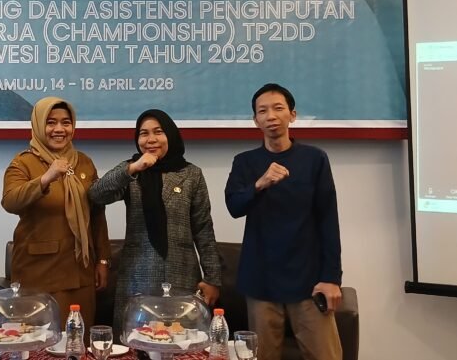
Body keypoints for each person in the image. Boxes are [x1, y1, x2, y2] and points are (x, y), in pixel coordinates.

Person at [224, 83, 343, 360]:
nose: (271, 116)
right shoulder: (245, 162)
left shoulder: (314, 159)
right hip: (261, 281)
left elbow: (328, 220)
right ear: (255, 120)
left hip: (309, 281)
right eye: (262, 111)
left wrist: (331, 278)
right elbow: (234, 206)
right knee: (261, 356)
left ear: (293, 115)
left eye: (278, 108)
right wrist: (260, 184)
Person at [88, 109, 222, 323]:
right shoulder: (131, 170)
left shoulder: (191, 174)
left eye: (158, 132)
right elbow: (96, 195)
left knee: (181, 338)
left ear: (170, 134)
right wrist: (134, 168)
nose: (151, 139)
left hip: (182, 275)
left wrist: (212, 278)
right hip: (137, 276)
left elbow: (203, 229)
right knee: (135, 337)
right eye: (144, 133)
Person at [1, 97, 111, 327]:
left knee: (79, 338)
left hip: (81, 271)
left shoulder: (84, 163)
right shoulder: (23, 163)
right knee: (43, 340)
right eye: (51, 123)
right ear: (38, 125)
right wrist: (45, 178)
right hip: (39, 273)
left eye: (66, 123)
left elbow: (97, 215)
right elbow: (10, 201)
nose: (59, 129)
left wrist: (102, 259)